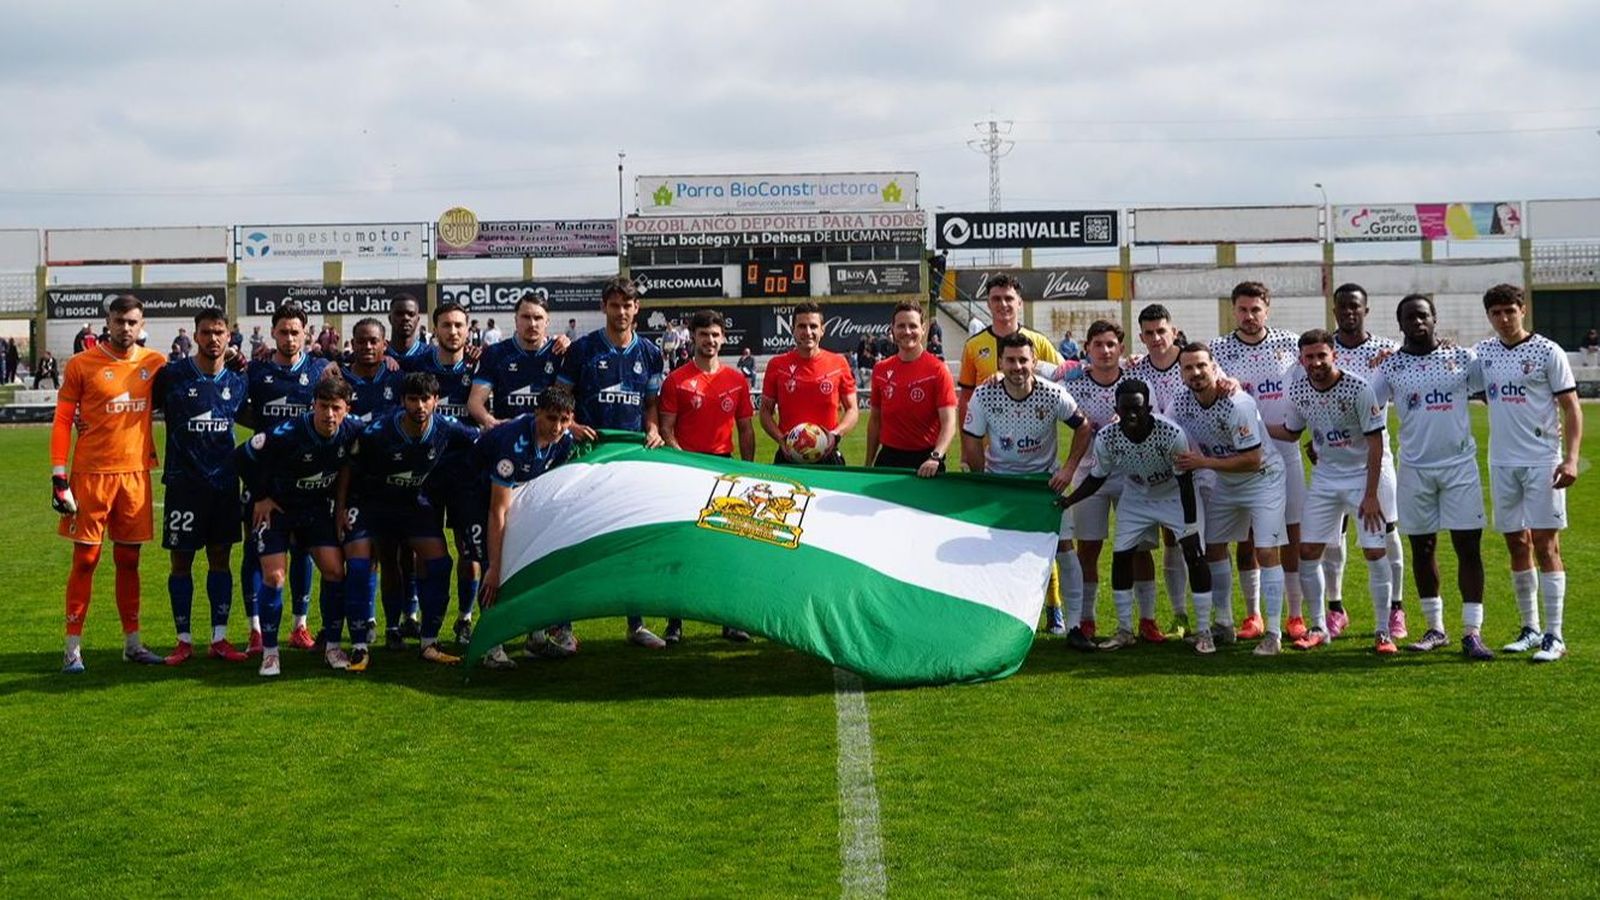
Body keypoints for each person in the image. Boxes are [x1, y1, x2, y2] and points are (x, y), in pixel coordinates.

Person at [51, 294, 168, 673]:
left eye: (132, 321)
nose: (126, 328)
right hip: (91, 476)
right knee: (86, 559)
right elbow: (63, 420)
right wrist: (58, 476)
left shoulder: (155, 363)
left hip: (134, 475)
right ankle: (72, 649)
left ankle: (132, 644)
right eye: (119, 321)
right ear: (108, 322)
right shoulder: (82, 365)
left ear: (142, 322)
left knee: (129, 559)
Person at [1372, 294, 1491, 659]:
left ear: (1435, 318)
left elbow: (1494, 398)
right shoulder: (1390, 368)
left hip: (1460, 468)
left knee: (1467, 547)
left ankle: (1472, 632)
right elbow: (1366, 411)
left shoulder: (1462, 358)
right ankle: (1435, 628)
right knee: (1422, 549)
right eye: (1410, 318)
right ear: (1401, 324)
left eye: (1423, 316)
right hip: (1415, 470)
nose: (1417, 322)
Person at [1058, 381, 1217, 654]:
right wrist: (1069, 501)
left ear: (1150, 409)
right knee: (1121, 556)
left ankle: (1204, 632)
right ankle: (1124, 630)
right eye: (1125, 409)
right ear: (1116, 409)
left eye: (1138, 409)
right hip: (1137, 495)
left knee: (1194, 554)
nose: (1132, 415)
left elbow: (1185, 482)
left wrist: (1190, 526)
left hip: (1173, 493)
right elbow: (1097, 478)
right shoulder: (1107, 437)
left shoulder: (1170, 432)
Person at [1268, 330, 1400, 654]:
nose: (1315, 362)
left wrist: (1371, 495)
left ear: (1333, 356)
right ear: (1302, 360)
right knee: (1309, 551)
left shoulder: (1359, 388)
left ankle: (1383, 633)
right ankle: (1318, 627)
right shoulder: (1299, 389)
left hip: (1362, 479)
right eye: (1309, 357)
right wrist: (1255, 423)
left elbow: (1375, 442)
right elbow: (1291, 432)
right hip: (1325, 479)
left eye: (1321, 356)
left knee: (1374, 551)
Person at [961, 332, 1094, 647]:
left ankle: (1074, 627)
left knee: (1065, 550)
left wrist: (1069, 469)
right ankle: (1002, 624)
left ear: (1035, 362)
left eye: (1023, 360)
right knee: (998, 555)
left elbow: (1083, 426)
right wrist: (985, 479)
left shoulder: (1052, 393)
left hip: (1045, 485)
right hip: (1003, 485)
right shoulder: (984, 395)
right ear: (1000, 363)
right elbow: (970, 437)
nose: (1017, 366)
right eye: (1011, 360)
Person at [339, 372, 479, 670]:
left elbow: (482, 443)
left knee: (440, 564)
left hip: (414, 506)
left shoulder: (448, 428)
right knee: (363, 566)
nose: (419, 405)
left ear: (436, 401)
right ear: (402, 402)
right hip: (372, 505)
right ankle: (360, 647)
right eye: (412, 399)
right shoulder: (378, 431)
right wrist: (341, 508)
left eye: (425, 399)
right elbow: (349, 468)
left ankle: (429, 643)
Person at [558, 276, 668, 649]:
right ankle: (565, 626)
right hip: (588, 459)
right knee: (576, 537)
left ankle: (635, 623)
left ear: (637, 309)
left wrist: (653, 429)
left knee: (630, 539)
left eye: (628, 305)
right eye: (615, 305)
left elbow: (651, 404)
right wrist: (569, 425)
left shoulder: (651, 353)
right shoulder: (583, 350)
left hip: (631, 460)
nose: (621, 312)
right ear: (604, 307)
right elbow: (561, 397)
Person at [1475, 284, 1581, 662]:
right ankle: (1530, 628)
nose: (1504, 319)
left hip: (1542, 462)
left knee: (1546, 544)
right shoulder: (1483, 353)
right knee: (1516, 544)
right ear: (1488, 317)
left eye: (1510, 311)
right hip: (1502, 463)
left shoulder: (1547, 351)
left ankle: (1555, 634)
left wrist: (1570, 459)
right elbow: (1455, 376)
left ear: (1523, 310)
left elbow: (1571, 408)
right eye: (1496, 313)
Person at [1169, 342, 1286, 653]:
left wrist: (1203, 463)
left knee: (1266, 551)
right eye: (1188, 368)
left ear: (1214, 367)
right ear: (1180, 373)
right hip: (1227, 481)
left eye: (1201, 366)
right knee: (1214, 549)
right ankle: (1224, 624)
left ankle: (1273, 633)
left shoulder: (1238, 403)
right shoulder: (1181, 402)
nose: (1195, 373)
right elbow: (1163, 428)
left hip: (1264, 479)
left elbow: (1252, 459)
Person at [239, 378, 361, 676]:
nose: (329, 414)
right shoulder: (289, 432)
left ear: (347, 410)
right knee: (275, 576)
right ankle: (270, 653)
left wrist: (342, 506)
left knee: (335, 570)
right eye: (323, 407)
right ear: (313, 406)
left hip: (315, 511)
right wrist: (262, 496)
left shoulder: (354, 430)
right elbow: (242, 455)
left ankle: (332, 647)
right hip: (278, 510)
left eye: (336, 408)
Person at [154, 308, 251, 665]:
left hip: (224, 485)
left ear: (229, 338)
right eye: (206, 332)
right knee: (181, 563)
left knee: (220, 561)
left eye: (219, 332)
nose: (213, 338)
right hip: (183, 484)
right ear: (194, 336)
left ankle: (219, 638)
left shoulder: (239, 380)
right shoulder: (172, 376)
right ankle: (183, 640)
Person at [1209, 281, 1304, 642]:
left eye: (1256, 310)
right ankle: (1253, 614)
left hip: (1284, 451)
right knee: (1248, 538)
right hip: (1241, 457)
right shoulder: (1218, 348)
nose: (1249, 317)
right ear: (1234, 310)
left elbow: (1325, 359)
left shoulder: (1290, 344)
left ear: (1268, 309)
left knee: (1290, 534)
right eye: (1243, 310)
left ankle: (1295, 614)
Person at [239, 303, 336, 655]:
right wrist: (267, 433)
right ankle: (254, 629)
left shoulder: (322, 370)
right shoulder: (257, 371)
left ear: (306, 334)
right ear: (273, 332)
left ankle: (300, 625)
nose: (290, 337)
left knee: (303, 553)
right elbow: (240, 409)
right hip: (265, 480)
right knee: (256, 552)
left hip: (309, 482)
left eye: (296, 331)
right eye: (283, 331)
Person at [658, 309, 757, 644]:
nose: (710, 340)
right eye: (704, 334)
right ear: (693, 337)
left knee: (725, 547)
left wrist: (748, 470)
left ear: (723, 338)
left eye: (716, 335)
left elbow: (745, 429)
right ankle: (675, 621)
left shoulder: (736, 380)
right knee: (683, 547)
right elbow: (667, 430)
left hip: (725, 471)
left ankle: (729, 619)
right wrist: (685, 463)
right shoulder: (676, 380)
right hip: (686, 472)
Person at [475, 386, 581, 668]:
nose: (557, 426)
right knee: (493, 568)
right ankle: (491, 647)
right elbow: (497, 509)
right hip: (476, 493)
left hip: (512, 492)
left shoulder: (564, 440)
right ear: (537, 414)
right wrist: (496, 567)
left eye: (564, 419)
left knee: (533, 557)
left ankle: (535, 637)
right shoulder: (514, 443)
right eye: (551, 418)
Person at [1323, 283, 1407, 639]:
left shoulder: (1387, 351)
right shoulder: (1323, 350)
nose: (1349, 313)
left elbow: (1425, 358)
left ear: (1366, 310)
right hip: (1332, 457)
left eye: (1355, 307)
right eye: (1342, 307)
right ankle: (1336, 607)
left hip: (1375, 457)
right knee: (1331, 535)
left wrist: (1446, 344)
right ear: (1335, 311)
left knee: (1386, 532)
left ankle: (1396, 608)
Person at [413, 302, 483, 645]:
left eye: (459, 325)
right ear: (434, 328)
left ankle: (465, 618)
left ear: (467, 329)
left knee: (469, 551)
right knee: (425, 552)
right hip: (426, 475)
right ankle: (421, 618)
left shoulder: (481, 365)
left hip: (467, 476)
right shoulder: (419, 367)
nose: (453, 332)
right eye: (446, 325)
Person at [1127, 304, 1195, 636]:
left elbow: (1221, 384)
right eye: (1149, 333)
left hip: (1193, 463)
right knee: (1151, 542)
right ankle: (1165, 616)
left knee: (1190, 540)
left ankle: (1197, 614)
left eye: (1161, 331)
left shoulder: (1193, 361)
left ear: (1173, 330)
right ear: (1141, 337)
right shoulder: (1136, 371)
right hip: (1149, 467)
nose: (1156, 338)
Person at [1063, 320, 1130, 640]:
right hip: (1088, 474)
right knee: (1088, 548)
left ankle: (1142, 620)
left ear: (1121, 348)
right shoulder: (1073, 384)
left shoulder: (1135, 381)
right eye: (1098, 344)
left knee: (1137, 549)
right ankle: (1086, 618)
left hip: (1131, 476)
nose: (1105, 351)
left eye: (1111, 344)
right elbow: (1037, 373)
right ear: (1087, 348)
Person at [956, 274, 1062, 443]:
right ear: (988, 304)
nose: (1003, 304)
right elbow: (965, 399)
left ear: (1019, 303)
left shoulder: (1039, 342)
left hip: (1035, 448)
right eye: (996, 299)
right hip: (988, 451)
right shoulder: (973, 346)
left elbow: (1063, 378)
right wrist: (966, 450)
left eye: (1009, 298)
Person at [759, 300, 858, 466]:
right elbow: (765, 412)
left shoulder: (839, 363)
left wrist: (836, 434)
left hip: (828, 454)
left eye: (813, 326)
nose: (808, 332)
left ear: (822, 330)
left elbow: (852, 409)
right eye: (802, 326)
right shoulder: (777, 365)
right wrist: (780, 438)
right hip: (789, 455)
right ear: (792, 330)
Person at [867, 301, 956, 476]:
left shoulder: (937, 370)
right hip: (888, 459)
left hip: (927, 460)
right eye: (901, 326)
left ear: (923, 329)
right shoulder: (880, 369)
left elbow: (949, 423)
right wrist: (868, 463)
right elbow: (875, 421)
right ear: (892, 329)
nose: (907, 331)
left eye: (913, 326)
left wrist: (936, 457)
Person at [469, 294, 566, 429]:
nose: (532, 324)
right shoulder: (496, 353)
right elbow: (475, 402)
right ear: (516, 320)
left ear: (547, 322)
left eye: (538, 318)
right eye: (526, 317)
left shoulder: (560, 353)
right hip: (507, 438)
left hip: (548, 439)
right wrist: (489, 420)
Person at [386, 294, 431, 369]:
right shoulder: (379, 356)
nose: (406, 318)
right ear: (390, 318)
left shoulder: (430, 354)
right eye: (399, 314)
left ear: (418, 320)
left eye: (411, 314)